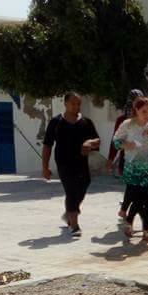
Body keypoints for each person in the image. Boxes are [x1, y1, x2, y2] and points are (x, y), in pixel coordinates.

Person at [42, 92, 100, 237]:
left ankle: (69, 213)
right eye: (73, 103)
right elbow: (47, 145)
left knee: (84, 184)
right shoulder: (56, 122)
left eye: (78, 103)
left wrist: (89, 143)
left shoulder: (86, 122)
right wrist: (45, 167)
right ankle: (74, 225)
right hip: (63, 162)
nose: (76, 106)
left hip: (81, 162)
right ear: (65, 103)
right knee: (71, 190)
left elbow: (97, 140)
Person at [113, 97, 148, 240]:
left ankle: (147, 230)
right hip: (133, 167)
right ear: (136, 110)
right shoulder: (127, 124)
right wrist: (126, 144)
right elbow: (116, 142)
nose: (147, 114)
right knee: (137, 199)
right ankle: (129, 222)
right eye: (144, 111)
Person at [108, 89, 144, 222]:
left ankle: (125, 210)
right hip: (128, 160)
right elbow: (115, 141)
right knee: (135, 188)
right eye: (136, 101)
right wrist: (111, 159)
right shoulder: (122, 120)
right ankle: (133, 217)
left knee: (137, 189)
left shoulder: (146, 117)